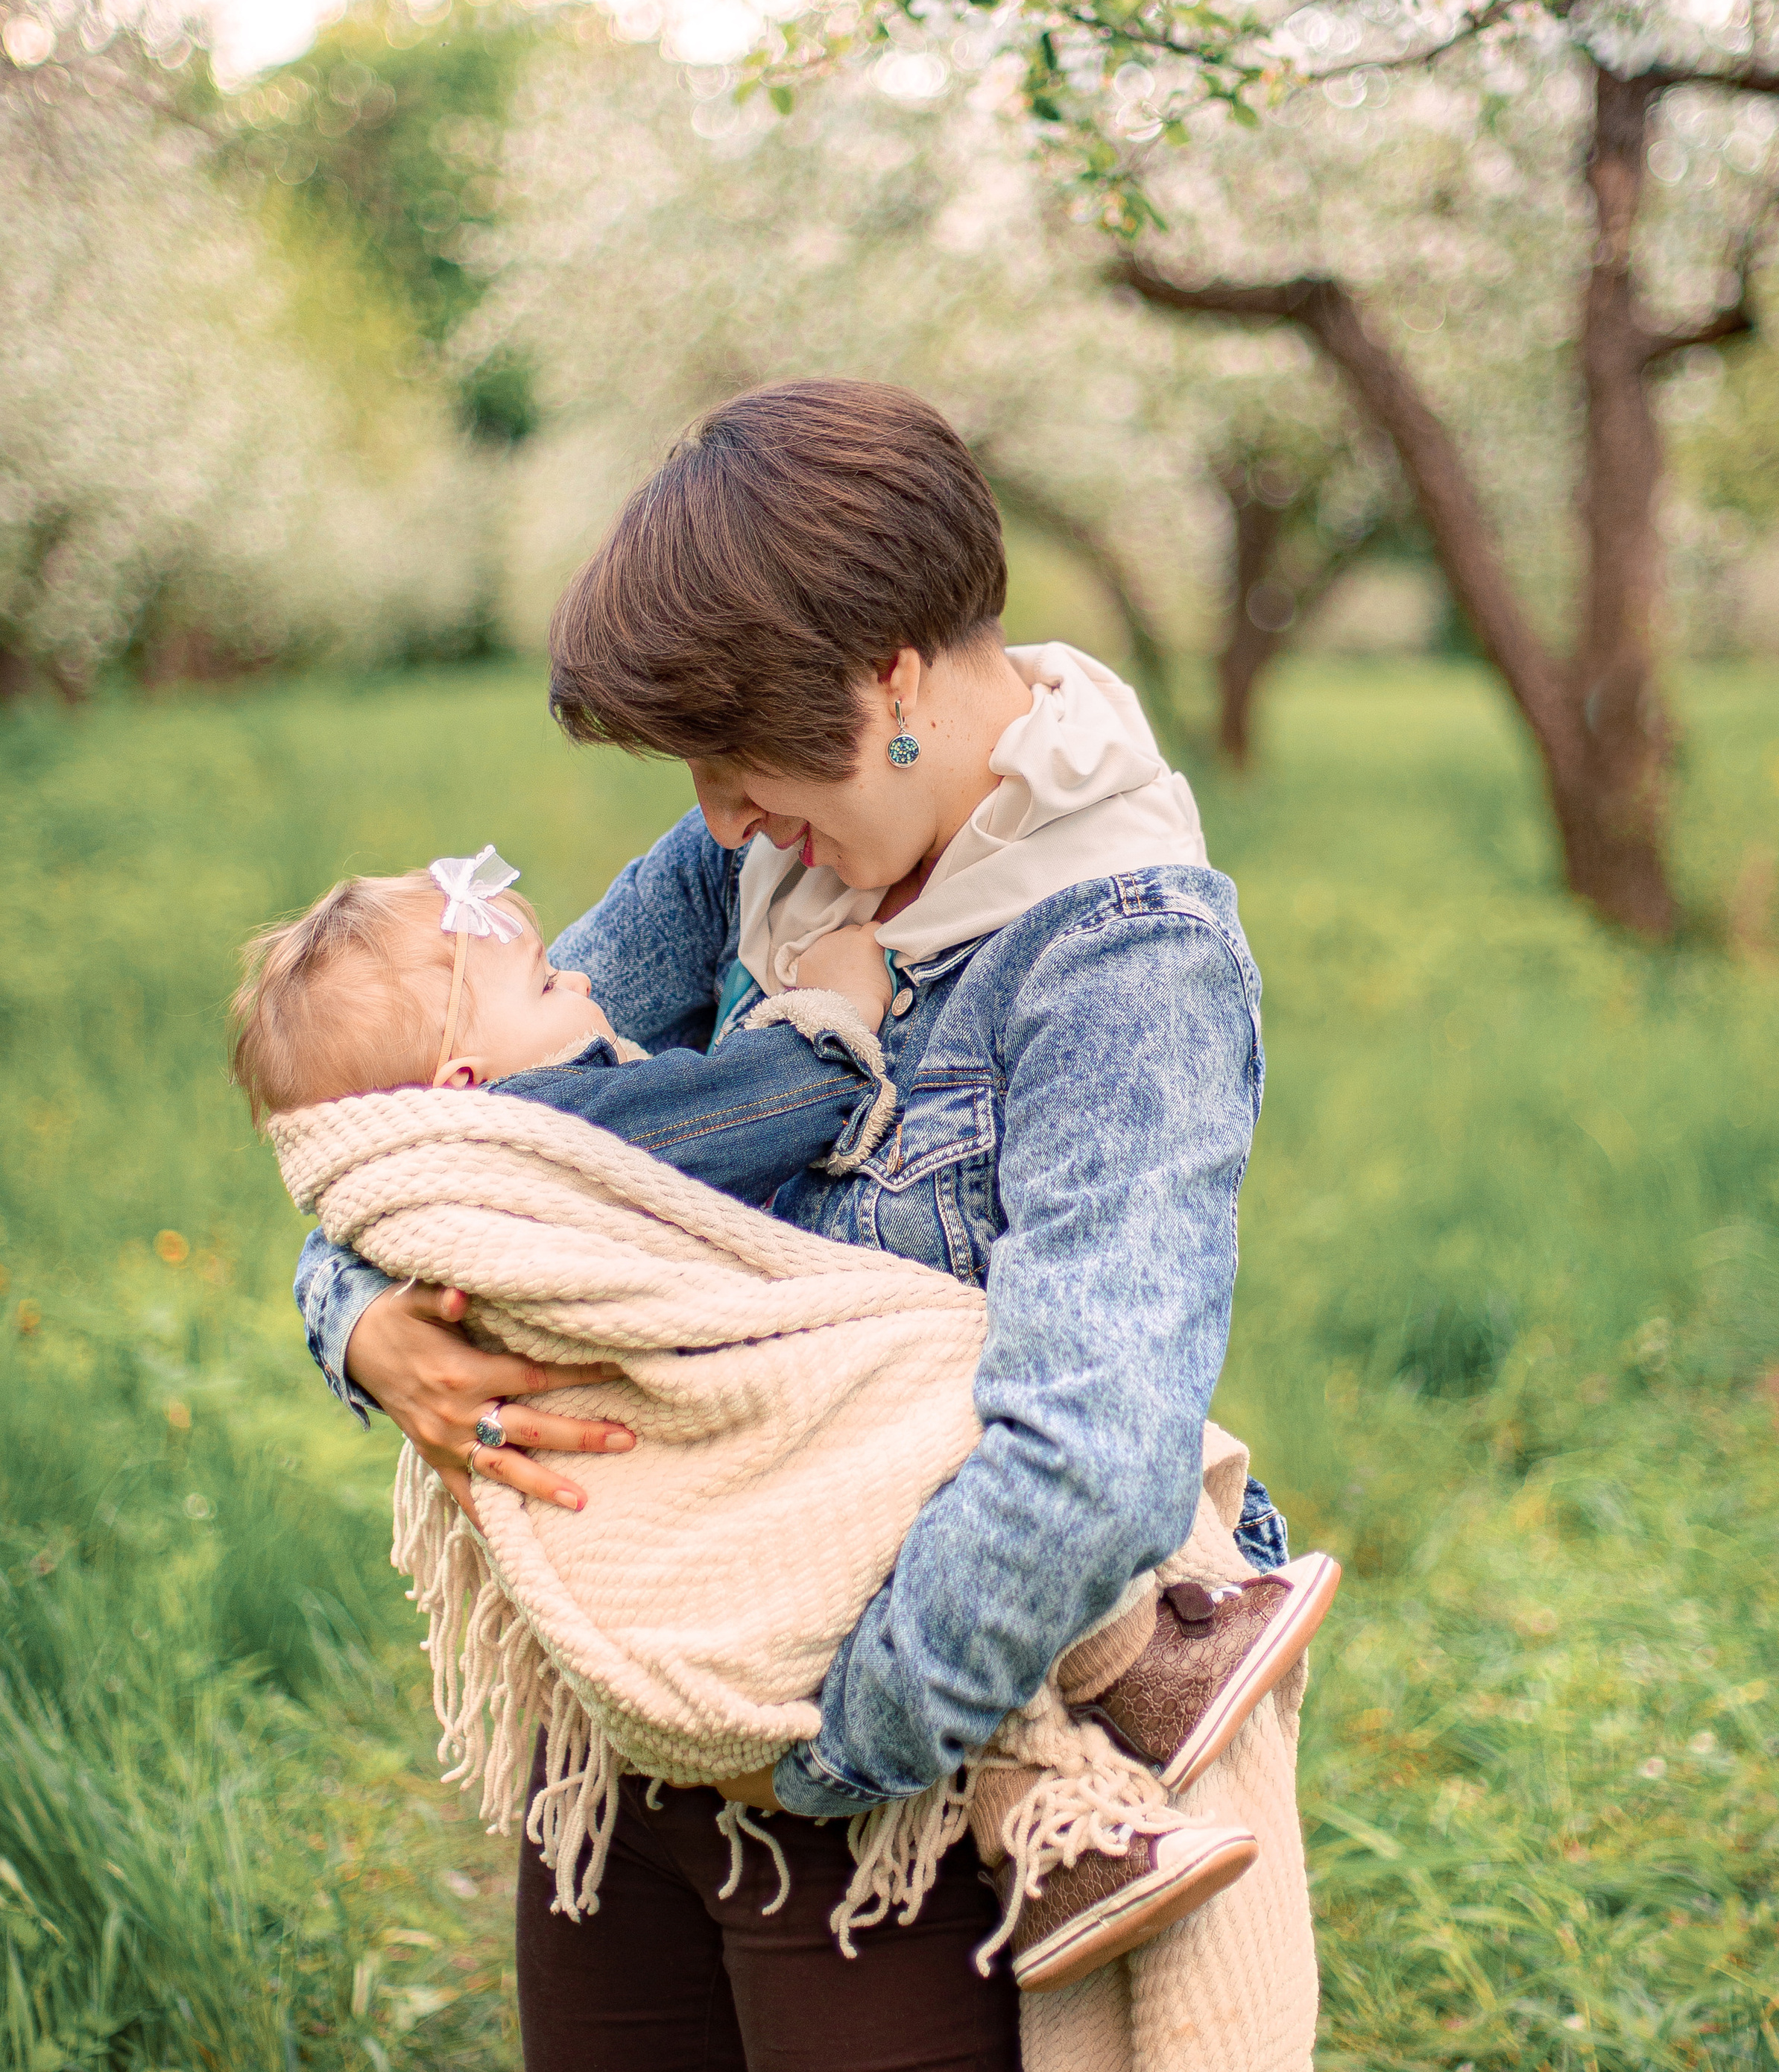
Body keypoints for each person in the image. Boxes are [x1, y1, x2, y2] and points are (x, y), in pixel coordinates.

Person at [294, 378, 1304, 2072]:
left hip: (871, 1751)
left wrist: (830, 1753)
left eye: (740, 760)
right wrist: (360, 1319)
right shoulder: (757, 864)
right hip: (616, 1705)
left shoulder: (1122, 959)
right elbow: (441, 1123)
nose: (714, 819)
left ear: (895, 676)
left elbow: (1092, 1452)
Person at [237, 848, 1334, 1986]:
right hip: (731, 1455)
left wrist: (354, 1307)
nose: (584, 982)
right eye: (549, 984)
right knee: (941, 1392)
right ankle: (1133, 1663)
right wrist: (832, 1022)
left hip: (727, 1566)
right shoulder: (545, 1122)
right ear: (464, 1086)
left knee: (978, 1460)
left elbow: (362, 1171)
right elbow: (757, 1111)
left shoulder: (459, 1143)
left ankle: (1064, 1807)